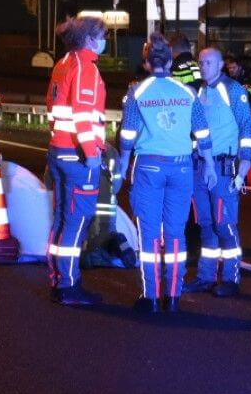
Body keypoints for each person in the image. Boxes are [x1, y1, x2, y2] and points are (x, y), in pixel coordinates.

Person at [117, 43, 217, 313]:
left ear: (147, 64)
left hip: (149, 167)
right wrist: (208, 165)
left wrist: (124, 164)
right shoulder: (187, 92)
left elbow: (128, 135)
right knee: (175, 234)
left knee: (149, 235)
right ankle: (173, 296)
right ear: (171, 63)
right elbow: (202, 133)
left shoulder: (136, 92)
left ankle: (150, 297)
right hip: (183, 167)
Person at [46, 16, 108, 306]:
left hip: (59, 149)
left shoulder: (63, 63)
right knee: (77, 220)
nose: (104, 40)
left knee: (61, 218)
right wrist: (93, 153)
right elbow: (83, 115)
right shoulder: (86, 68)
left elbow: (54, 106)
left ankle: (58, 277)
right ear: (89, 39)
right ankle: (69, 284)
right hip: (78, 155)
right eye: (102, 35)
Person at [184, 48, 251, 298]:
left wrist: (245, 159)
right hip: (201, 166)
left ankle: (231, 278)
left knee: (224, 224)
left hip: (224, 167)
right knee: (206, 225)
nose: (204, 66)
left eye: (209, 62)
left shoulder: (233, 90)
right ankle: (205, 276)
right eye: (201, 62)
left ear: (221, 64)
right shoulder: (201, 91)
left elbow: (247, 126)